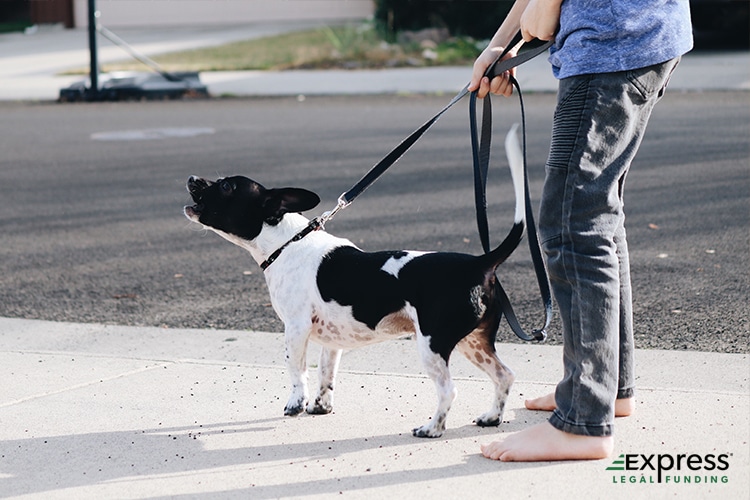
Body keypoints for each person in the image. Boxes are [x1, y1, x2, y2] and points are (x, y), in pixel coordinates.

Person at [468, 0, 693, 461]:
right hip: (640, 32)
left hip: (611, 39)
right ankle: (609, 389)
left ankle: (583, 421)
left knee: (573, 223)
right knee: (597, 215)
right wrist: (501, 43)